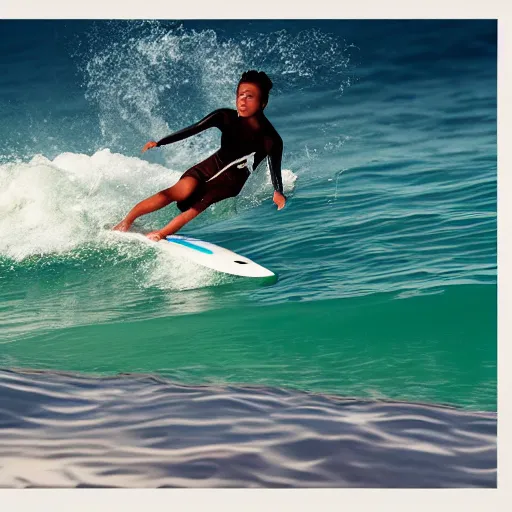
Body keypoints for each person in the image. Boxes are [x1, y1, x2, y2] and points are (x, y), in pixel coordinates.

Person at [113, 70, 286, 242]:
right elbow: (193, 129)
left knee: (200, 204)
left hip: (230, 183)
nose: (242, 100)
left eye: (250, 96)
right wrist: (160, 142)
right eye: (240, 94)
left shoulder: (271, 138)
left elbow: (274, 168)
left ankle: (161, 233)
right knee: (179, 191)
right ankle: (127, 221)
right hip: (208, 168)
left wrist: (278, 192)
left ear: (263, 103)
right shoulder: (225, 117)